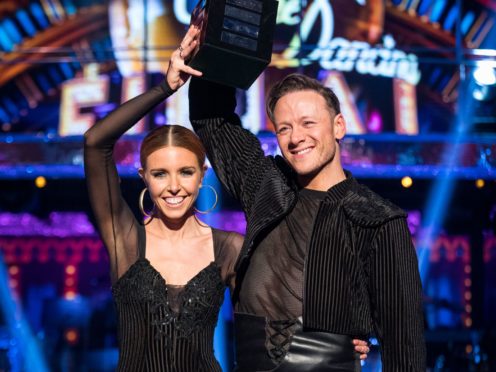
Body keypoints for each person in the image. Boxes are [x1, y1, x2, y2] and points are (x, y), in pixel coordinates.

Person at [188, 57, 426, 370]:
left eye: (308, 123)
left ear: (339, 126)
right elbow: (212, 117)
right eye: (284, 127)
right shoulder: (265, 185)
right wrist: (215, 40)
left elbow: (404, 347)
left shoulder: (378, 219)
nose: (296, 137)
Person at [83, 27, 244, 371]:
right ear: (144, 178)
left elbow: (272, 321)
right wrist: (165, 88)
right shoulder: (125, 238)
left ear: (202, 175)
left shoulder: (229, 248)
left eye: (186, 172)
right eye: (160, 174)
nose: (174, 187)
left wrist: (340, 339)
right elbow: (96, 142)